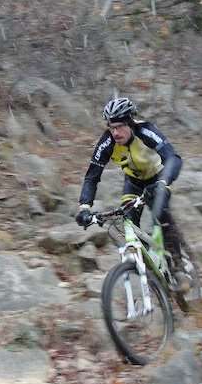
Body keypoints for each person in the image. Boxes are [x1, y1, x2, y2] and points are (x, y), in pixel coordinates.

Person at [75, 96, 188, 279]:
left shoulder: (145, 131)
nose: (115, 132)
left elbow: (172, 157)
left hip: (159, 178)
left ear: (130, 123)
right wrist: (84, 207)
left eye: (120, 127)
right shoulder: (108, 142)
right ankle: (150, 264)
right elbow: (92, 176)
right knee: (128, 225)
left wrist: (163, 183)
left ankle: (179, 265)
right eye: (112, 128)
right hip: (133, 183)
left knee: (160, 214)